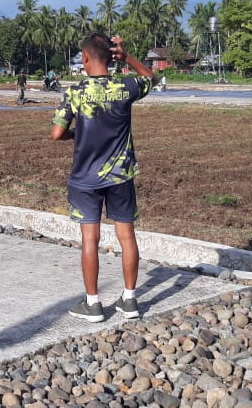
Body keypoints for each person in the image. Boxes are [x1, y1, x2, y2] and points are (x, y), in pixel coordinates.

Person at [51, 33, 157, 322]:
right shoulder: (125, 86)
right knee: (127, 236)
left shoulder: (75, 92)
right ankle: (131, 300)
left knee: (90, 238)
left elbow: (57, 133)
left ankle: (93, 303)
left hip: (85, 179)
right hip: (121, 177)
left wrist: (79, 133)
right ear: (111, 57)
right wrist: (128, 58)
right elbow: (151, 78)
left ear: (85, 58)